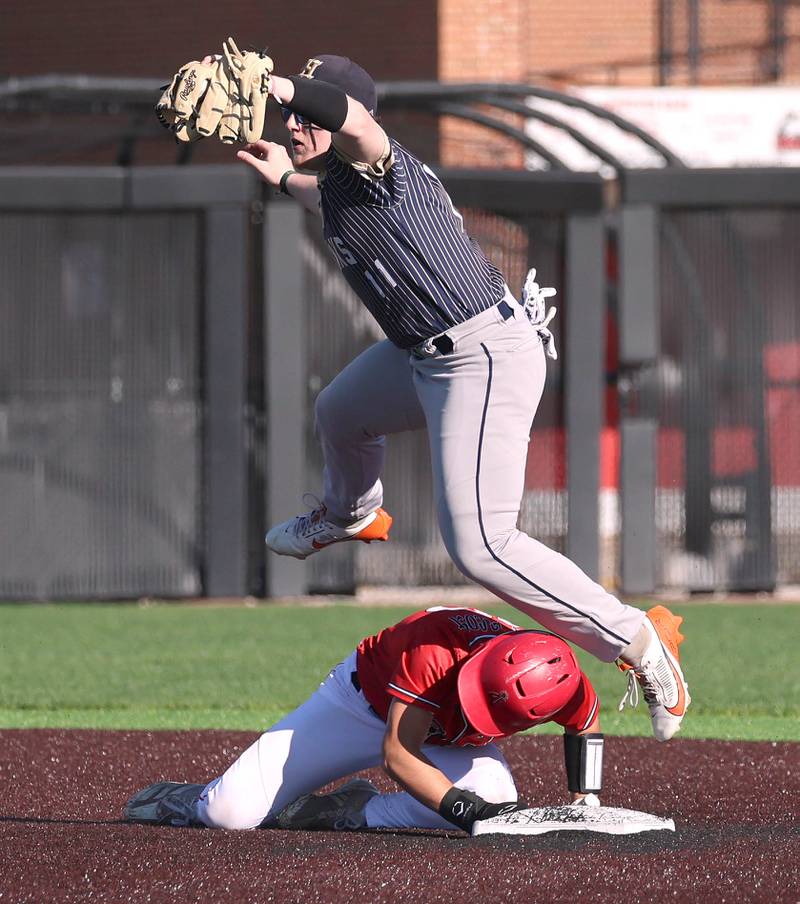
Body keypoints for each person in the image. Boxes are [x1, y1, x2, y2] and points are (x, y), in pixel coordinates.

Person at [228, 54, 689, 741]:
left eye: (306, 113)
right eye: (290, 115)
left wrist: (281, 85)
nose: (295, 122)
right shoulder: (339, 187)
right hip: (427, 353)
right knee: (342, 413)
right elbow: (320, 193)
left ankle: (640, 643)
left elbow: (352, 120)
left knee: (481, 545)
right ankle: (350, 513)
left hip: (481, 354)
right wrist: (280, 175)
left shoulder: (384, 163)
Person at [124, 607, 605, 833]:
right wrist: (467, 812)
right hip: (357, 708)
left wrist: (587, 798)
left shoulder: (563, 681)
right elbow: (397, 754)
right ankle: (187, 799)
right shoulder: (434, 645)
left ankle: (348, 811)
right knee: (228, 815)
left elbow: (585, 724)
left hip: (443, 737)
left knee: (500, 795)